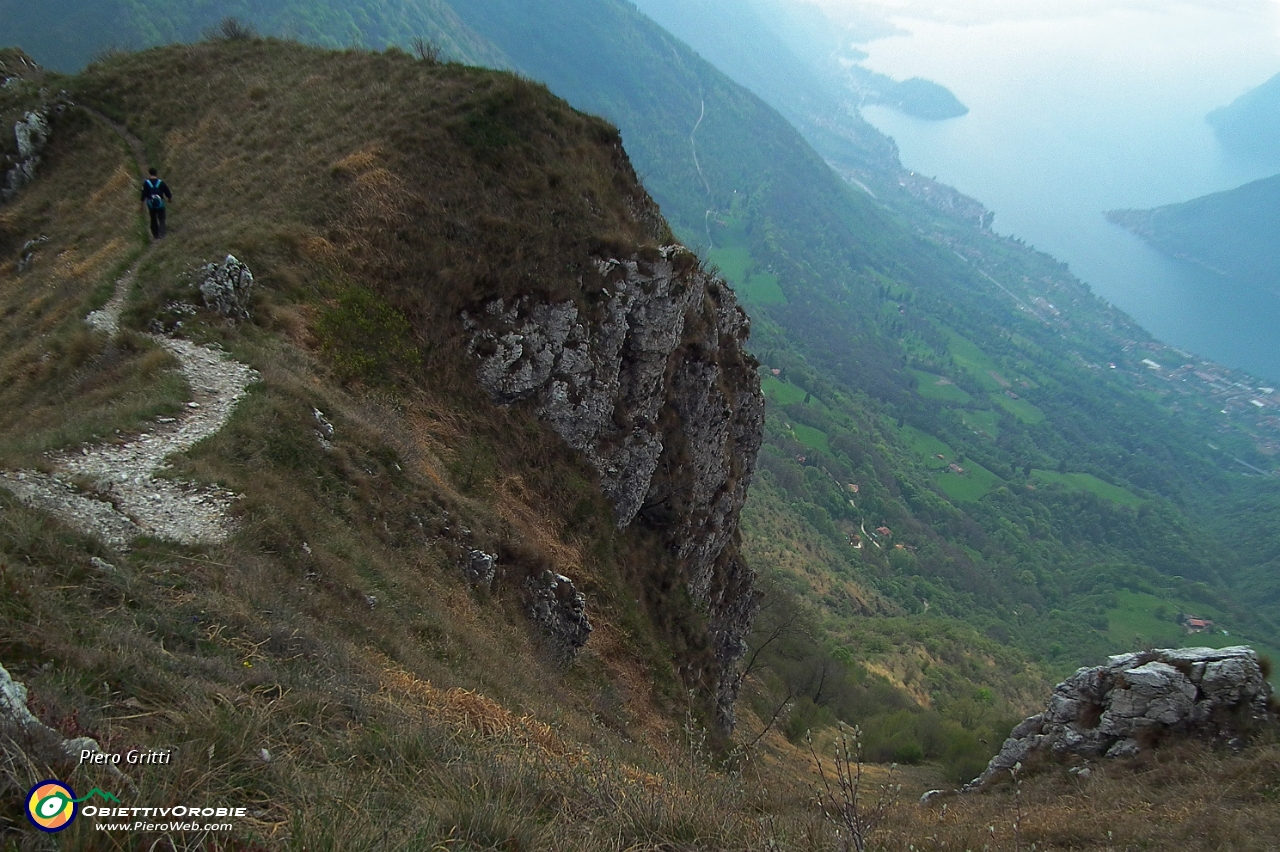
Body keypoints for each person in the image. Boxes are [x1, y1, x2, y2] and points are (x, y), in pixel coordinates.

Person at [140, 168, 173, 239]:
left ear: (149, 173)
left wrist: (141, 205)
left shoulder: (146, 183)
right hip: (160, 204)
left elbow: (143, 195)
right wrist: (169, 198)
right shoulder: (161, 182)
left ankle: (155, 234)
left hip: (151, 205)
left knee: (153, 218)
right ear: (156, 173)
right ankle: (162, 233)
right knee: (162, 218)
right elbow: (167, 191)